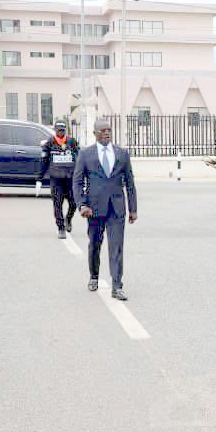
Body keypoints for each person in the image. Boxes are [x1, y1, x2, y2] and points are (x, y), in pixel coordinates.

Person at [73, 118, 138, 301]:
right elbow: (77, 181)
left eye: (108, 130)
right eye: (102, 130)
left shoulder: (122, 154)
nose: (106, 133)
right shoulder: (85, 154)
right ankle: (94, 276)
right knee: (95, 244)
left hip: (116, 209)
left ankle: (117, 286)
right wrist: (82, 205)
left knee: (116, 246)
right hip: (93, 209)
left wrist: (133, 208)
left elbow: (130, 182)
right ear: (95, 133)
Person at [38, 120, 80, 239]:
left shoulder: (72, 142)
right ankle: (61, 228)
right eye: (58, 130)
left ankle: (68, 219)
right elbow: (44, 161)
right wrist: (39, 178)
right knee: (57, 204)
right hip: (56, 179)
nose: (61, 132)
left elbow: (79, 158)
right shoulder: (50, 143)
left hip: (70, 178)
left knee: (74, 203)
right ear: (55, 130)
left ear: (65, 130)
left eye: (62, 130)